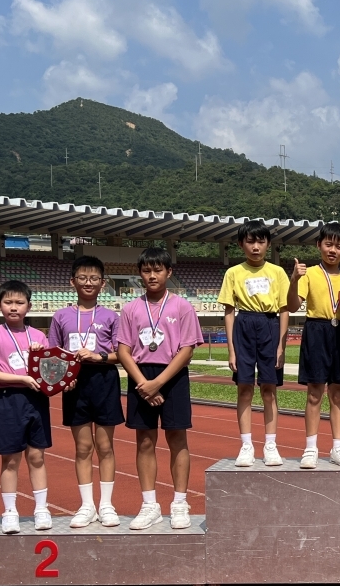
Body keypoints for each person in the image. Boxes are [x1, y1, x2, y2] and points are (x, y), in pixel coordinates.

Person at [116, 247, 202, 530]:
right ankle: (149, 505)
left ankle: (179, 503)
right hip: (141, 376)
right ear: (139, 274)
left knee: (177, 438)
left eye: (158, 270)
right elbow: (123, 350)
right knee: (144, 441)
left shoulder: (182, 306)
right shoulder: (131, 309)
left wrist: (158, 383)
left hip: (172, 376)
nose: (152, 276)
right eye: (146, 271)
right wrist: (144, 384)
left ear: (169, 272)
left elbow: (187, 350)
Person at [47, 254, 123, 528]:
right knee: (82, 447)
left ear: (103, 283)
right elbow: (53, 354)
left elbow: (121, 354)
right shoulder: (61, 316)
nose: (88, 282)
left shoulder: (111, 316)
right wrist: (62, 378)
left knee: (105, 446)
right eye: (82, 278)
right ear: (73, 281)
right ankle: (87, 505)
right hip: (74, 384)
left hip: (103, 380)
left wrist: (98, 356)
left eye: (94, 278)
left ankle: (107, 505)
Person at [0, 280, 51, 534]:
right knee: (10, 459)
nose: (13, 307)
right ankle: (10, 511)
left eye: (19, 302)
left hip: (36, 399)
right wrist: (21, 378)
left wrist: (40, 355)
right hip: (7, 399)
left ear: (29, 306)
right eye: (8, 302)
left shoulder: (39, 336)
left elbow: (50, 372)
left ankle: (41, 508)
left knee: (37, 456)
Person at [220, 221, 290, 467]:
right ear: (241, 244)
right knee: (245, 388)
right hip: (244, 325)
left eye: (261, 241)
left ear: (268, 244)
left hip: (270, 325)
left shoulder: (277, 272)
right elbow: (229, 311)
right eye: (250, 242)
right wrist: (231, 350)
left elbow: (284, 310)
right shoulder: (233, 273)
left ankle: (270, 444)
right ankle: (246, 445)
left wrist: (281, 345)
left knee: (269, 389)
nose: (256, 247)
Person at [288, 222, 340, 468]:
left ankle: (338, 447)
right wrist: (294, 280)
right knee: (314, 392)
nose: (332, 250)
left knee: (337, 393)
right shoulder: (309, 274)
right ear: (319, 245)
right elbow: (293, 306)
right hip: (316, 330)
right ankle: (310, 448)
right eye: (328, 244)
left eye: (338, 246)